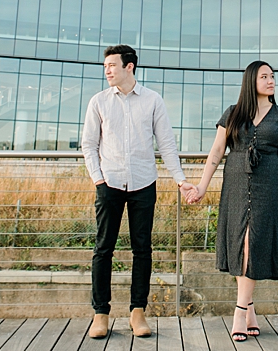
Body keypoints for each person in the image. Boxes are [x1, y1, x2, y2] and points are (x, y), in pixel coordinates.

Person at [81, 44, 197, 339]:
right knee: (103, 248)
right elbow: (89, 144)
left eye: (111, 65)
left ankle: (137, 312)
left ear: (129, 67)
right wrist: (98, 179)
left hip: (144, 184)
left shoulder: (153, 100)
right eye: (105, 66)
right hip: (109, 184)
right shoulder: (99, 101)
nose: (107, 70)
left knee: (142, 249)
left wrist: (180, 179)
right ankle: (101, 313)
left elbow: (167, 144)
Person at [186, 60, 278, 343]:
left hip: (269, 187)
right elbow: (216, 152)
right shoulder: (233, 114)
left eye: (273, 76)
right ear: (251, 81)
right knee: (241, 243)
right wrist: (201, 186)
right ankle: (249, 307)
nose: (271, 80)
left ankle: (239, 310)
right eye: (264, 76)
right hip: (235, 185)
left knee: (254, 241)